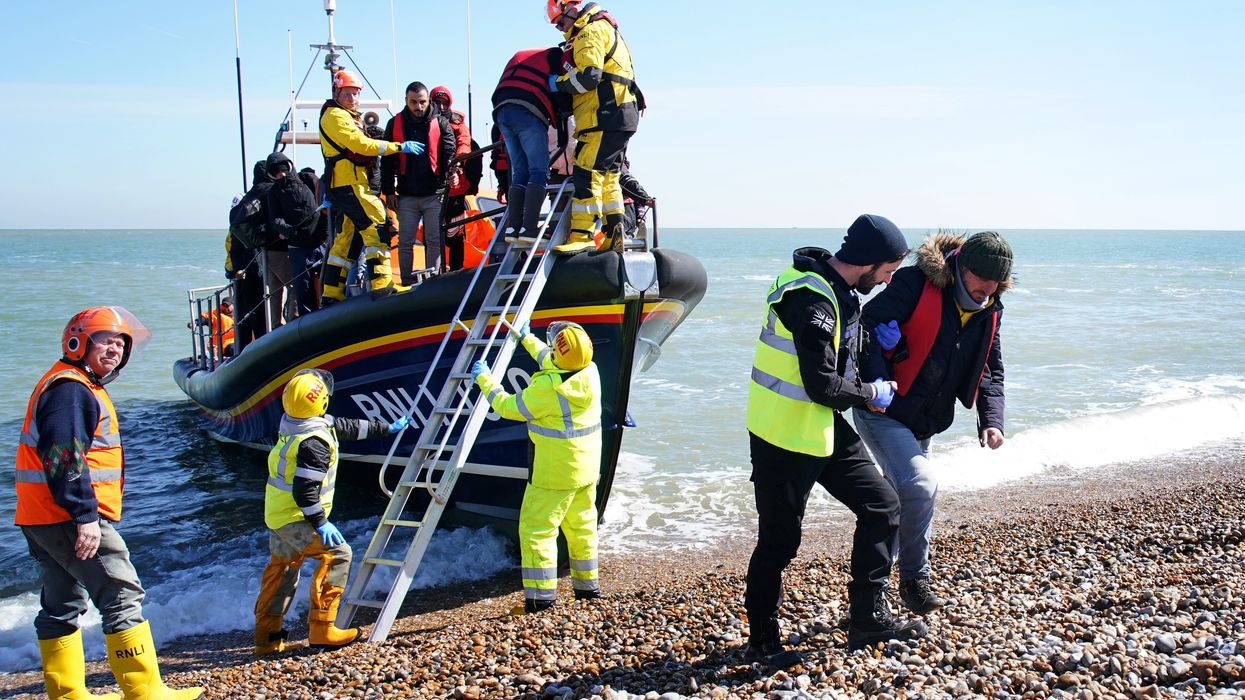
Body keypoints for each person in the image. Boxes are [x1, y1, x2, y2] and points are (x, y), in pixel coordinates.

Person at [743, 215, 928, 666]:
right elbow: (821, 384)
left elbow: (844, 359)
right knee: (779, 543)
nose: (886, 281)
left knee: (883, 506)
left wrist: (892, 348)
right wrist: (870, 393)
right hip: (783, 433)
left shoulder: (839, 290)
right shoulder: (811, 299)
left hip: (822, 427)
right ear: (868, 262)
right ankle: (762, 640)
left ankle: (867, 618)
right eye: (887, 270)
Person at [15, 307, 205, 699]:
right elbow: (63, 456)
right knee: (121, 593)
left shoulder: (66, 384)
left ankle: (67, 694)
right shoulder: (71, 390)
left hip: (40, 516)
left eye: (121, 343)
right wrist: (85, 515)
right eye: (106, 340)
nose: (115, 349)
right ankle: (145, 692)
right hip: (69, 517)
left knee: (61, 603)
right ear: (78, 342)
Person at [854, 231, 1012, 614]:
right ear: (961, 267)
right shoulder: (913, 283)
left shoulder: (990, 306)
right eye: (982, 279)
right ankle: (914, 579)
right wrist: (877, 378)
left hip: (926, 420)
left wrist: (992, 420)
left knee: (900, 499)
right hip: (884, 411)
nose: (988, 289)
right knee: (921, 486)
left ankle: (869, 601)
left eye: (997, 283)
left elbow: (991, 367)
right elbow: (866, 324)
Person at [253, 369, 411, 655]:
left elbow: (346, 426)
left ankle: (266, 638)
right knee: (337, 554)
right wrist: (321, 522)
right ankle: (323, 628)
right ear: (320, 401)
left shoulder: (295, 423)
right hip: (296, 516)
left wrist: (386, 428)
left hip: (277, 515)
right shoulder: (314, 444)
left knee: (282, 571)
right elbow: (305, 491)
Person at [471, 321, 602, 614]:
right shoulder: (589, 371)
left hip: (553, 474)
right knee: (582, 528)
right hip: (587, 469)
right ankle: (587, 589)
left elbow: (508, 407)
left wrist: (485, 380)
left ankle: (539, 600)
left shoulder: (548, 388)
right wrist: (527, 338)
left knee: (537, 531)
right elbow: (553, 360)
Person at [320, 69, 425, 304]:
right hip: (350, 183)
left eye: (355, 94)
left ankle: (331, 293)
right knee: (377, 224)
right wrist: (397, 147)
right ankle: (382, 285)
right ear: (336, 93)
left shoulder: (346, 116)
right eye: (347, 94)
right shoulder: (336, 117)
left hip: (350, 182)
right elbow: (360, 145)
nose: (352, 99)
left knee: (346, 237)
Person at [548, 0, 643, 254]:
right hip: (620, 114)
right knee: (610, 177)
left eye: (559, 21)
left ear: (570, 9)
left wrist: (559, 82)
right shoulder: (606, 28)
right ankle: (615, 232)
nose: (559, 28)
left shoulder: (589, 32)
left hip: (604, 114)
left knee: (586, 172)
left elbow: (589, 77)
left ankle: (582, 234)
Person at [381, 81, 456, 282]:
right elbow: (387, 161)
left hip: (434, 194)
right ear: (406, 101)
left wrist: (452, 171)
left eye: (422, 102)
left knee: (433, 240)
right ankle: (405, 281)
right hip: (407, 195)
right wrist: (389, 192)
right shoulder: (394, 124)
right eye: (414, 102)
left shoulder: (441, 123)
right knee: (405, 242)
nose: (419, 106)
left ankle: (433, 282)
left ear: (428, 100)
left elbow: (450, 151)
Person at [490, 47, 567, 243]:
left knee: (520, 171)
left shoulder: (521, 55)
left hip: (501, 111)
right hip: (527, 110)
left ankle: (513, 228)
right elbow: (560, 93)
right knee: (539, 170)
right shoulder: (556, 55)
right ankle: (529, 229)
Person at [264, 153, 322, 319]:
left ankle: (328, 310)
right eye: (276, 172)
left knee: (327, 277)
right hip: (297, 245)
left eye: (282, 170)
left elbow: (323, 205)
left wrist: (324, 231)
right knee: (301, 285)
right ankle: (306, 318)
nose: (281, 174)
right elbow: (275, 219)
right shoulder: (274, 192)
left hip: (319, 241)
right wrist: (289, 230)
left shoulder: (308, 179)